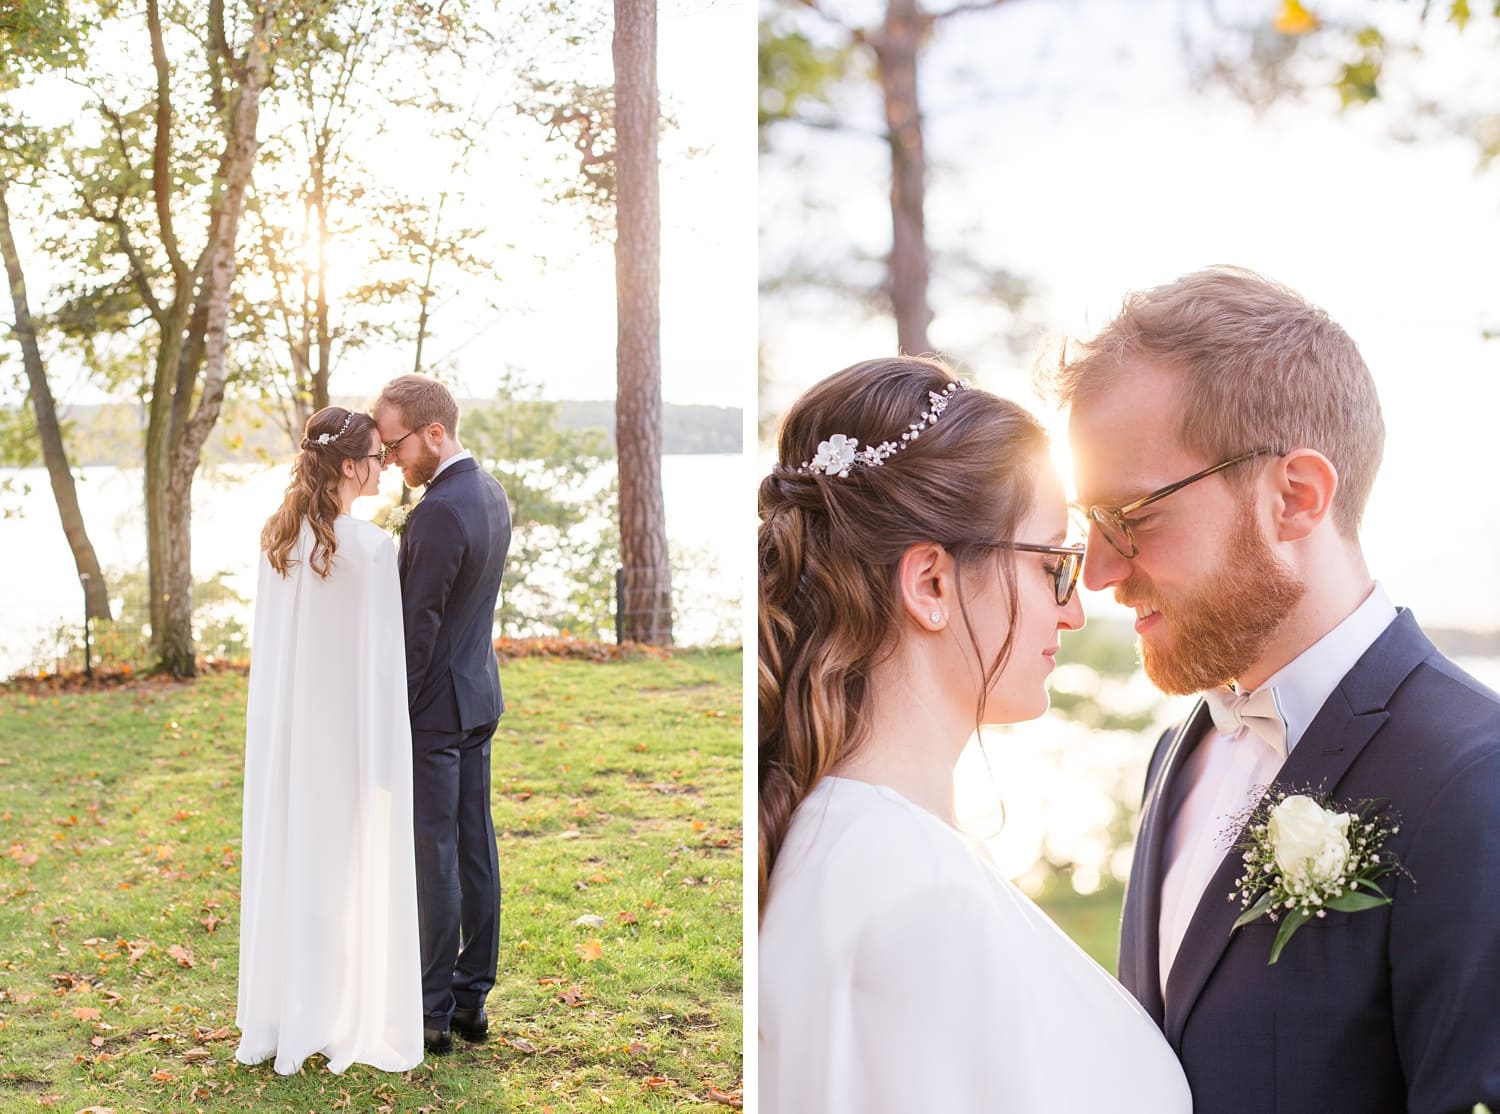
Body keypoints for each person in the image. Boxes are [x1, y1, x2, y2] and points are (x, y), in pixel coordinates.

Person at [1055, 266, 1500, 1112]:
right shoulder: (1176, 756)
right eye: (1090, 526)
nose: (1102, 572)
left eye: (1133, 517)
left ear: (1295, 498)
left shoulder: (1476, 779)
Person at [757, 357, 1191, 1113]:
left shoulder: (868, 847)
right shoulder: (911, 892)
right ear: (930, 583)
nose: (1074, 611)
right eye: (1055, 563)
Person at [236, 406, 422, 1075]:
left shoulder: (277, 539)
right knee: (336, 877)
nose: (384, 466)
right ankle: (330, 1013)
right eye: (377, 456)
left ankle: (288, 1011)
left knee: (293, 865)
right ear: (351, 466)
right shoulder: (369, 549)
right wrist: (386, 752)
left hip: (287, 736)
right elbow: (381, 665)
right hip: (342, 738)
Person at [372, 374, 511, 1055]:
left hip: (435, 709)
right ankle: (470, 1000)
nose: (391, 458)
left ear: (435, 432)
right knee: (475, 846)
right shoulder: (489, 494)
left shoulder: (436, 512)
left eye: (396, 443)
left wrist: (394, 712)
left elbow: (416, 629)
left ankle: (431, 1009)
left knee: (438, 854)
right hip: (479, 692)